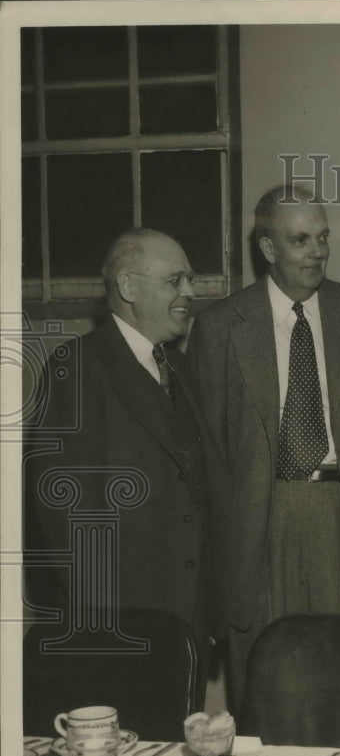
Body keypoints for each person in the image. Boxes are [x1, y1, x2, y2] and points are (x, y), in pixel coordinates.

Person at [187, 185, 340, 711]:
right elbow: (211, 444)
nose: (317, 251)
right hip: (259, 520)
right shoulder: (218, 327)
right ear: (268, 248)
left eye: (322, 237)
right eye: (300, 239)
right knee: (265, 692)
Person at [24, 228, 225, 698]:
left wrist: (210, 611)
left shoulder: (179, 370)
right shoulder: (75, 368)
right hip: (118, 635)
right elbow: (67, 520)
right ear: (129, 287)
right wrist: (103, 637)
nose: (190, 293)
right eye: (175, 280)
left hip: (185, 629)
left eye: (190, 280)